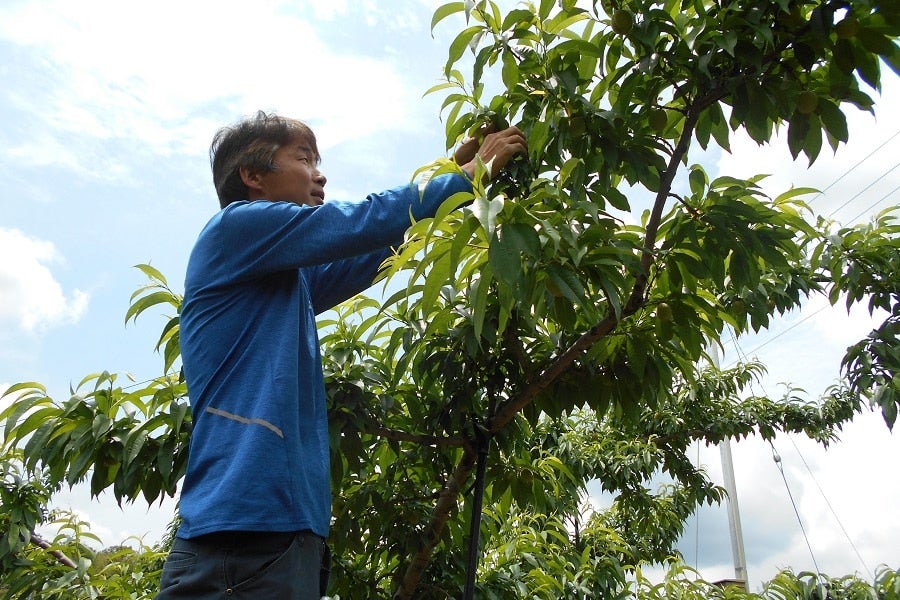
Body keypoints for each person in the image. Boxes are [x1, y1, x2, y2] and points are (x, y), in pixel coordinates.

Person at [156, 110, 526, 599]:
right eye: (304, 158)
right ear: (253, 176)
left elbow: (376, 248)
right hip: (244, 532)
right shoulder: (234, 229)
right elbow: (356, 223)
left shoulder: (290, 278)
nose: (320, 173)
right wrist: (464, 177)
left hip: (281, 531)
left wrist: (447, 181)